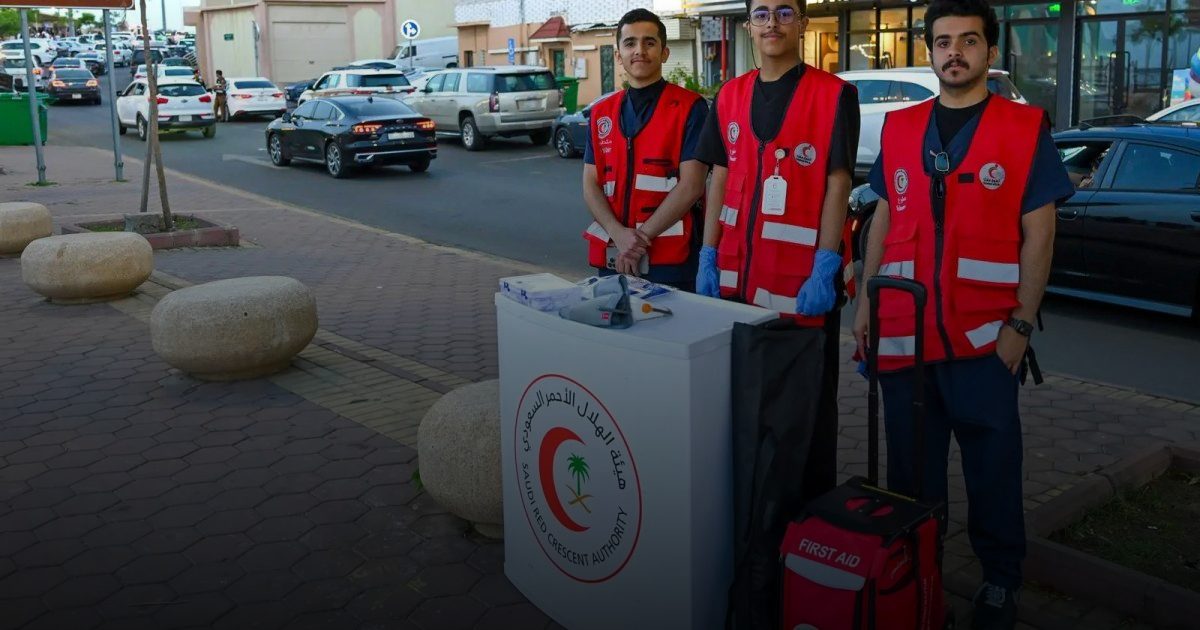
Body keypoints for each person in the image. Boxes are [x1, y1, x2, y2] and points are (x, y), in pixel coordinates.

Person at [852, 0, 1073, 628]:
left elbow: (1041, 236)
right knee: (910, 475)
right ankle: (915, 577)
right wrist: (867, 299)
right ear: (929, 50)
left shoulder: (1025, 128)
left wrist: (1020, 327)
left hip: (986, 342)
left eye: (968, 41)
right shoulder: (898, 130)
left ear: (990, 52)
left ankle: (1000, 580)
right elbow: (885, 218)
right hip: (905, 337)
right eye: (943, 41)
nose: (955, 52)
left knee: (993, 472)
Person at [693, 1, 858, 626]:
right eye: (760, 12)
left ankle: (783, 569)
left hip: (797, 304)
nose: (770, 23)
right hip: (733, 297)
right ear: (749, 25)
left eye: (784, 12)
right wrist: (707, 252)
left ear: (801, 25)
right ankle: (749, 560)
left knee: (793, 443)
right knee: (738, 435)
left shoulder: (832, 94)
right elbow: (718, 178)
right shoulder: (729, 97)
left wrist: (826, 263)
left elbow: (837, 182)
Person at [582, 8, 708, 291]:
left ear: (664, 53)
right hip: (614, 256)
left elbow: (692, 185)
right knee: (616, 333)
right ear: (618, 55)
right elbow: (590, 183)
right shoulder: (601, 113)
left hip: (672, 263)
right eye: (630, 43)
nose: (639, 50)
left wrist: (637, 240)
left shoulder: (690, 109)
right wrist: (618, 234)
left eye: (649, 42)